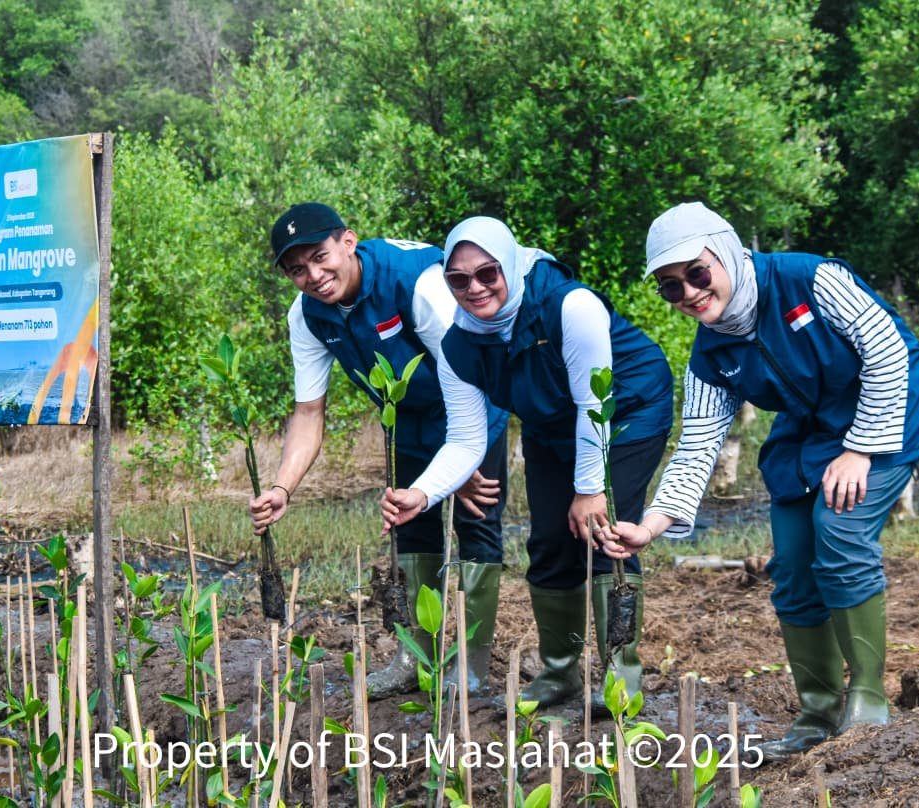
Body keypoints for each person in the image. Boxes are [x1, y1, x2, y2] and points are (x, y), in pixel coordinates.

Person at [605, 202, 919, 761]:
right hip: (809, 430)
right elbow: (698, 446)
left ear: (726, 253)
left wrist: (859, 450)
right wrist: (651, 525)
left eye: (697, 273)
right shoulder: (709, 355)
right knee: (792, 565)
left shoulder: (809, 278)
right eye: (670, 286)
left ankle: (868, 698)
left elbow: (885, 350)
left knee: (840, 534)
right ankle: (818, 711)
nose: (689, 292)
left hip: (886, 410)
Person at [381, 216, 673, 709]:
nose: (474, 288)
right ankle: (560, 674)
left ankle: (621, 681)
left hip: (626, 410)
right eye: (458, 280)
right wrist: (422, 493)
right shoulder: (458, 345)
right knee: (549, 541)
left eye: (487, 273)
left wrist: (589, 490)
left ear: (510, 266)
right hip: (549, 423)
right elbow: (466, 439)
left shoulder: (570, 306)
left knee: (606, 533)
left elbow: (594, 403)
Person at [250, 203, 510, 698]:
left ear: (348, 241)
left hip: (475, 401)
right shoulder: (306, 315)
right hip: (405, 419)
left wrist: (459, 463)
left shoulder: (417, 284)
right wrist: (282, 487)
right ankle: (415, 659)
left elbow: (468, 369)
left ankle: (473, 666)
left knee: (476, 524)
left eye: (320, 257)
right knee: (409, 525)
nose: (313, 276)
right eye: (297, 270)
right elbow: (308, 413)